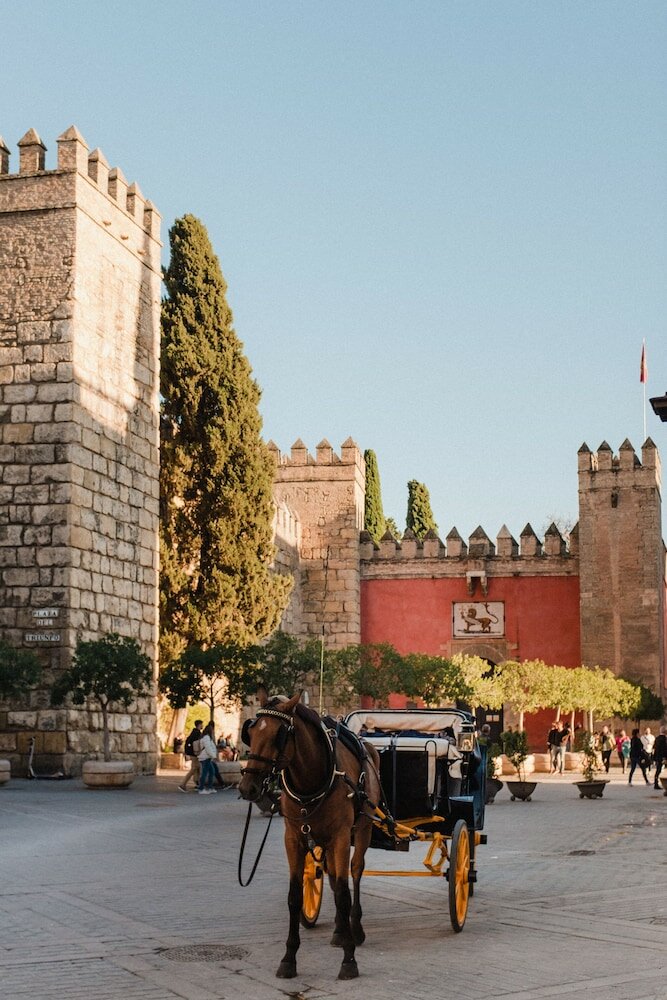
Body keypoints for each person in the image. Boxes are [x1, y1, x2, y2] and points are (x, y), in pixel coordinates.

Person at [179, 720, 204, 792]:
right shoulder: (197, 733)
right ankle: (183, 784)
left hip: (193, 753)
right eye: (202, 724)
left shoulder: (194, 732)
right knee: (194, 768)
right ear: (199, 725)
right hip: (195, 754)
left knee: (196, 768)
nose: (202, 726)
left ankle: (197, 783)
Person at [197, 722, 219, 795]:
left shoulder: (207, 737)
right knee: (205, 773)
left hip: (207, 757)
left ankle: (210, 787)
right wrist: (213, 756)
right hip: (205, 757)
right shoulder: (206, 738)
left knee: (211, 771)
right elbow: (208, 748)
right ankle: (201, 788)